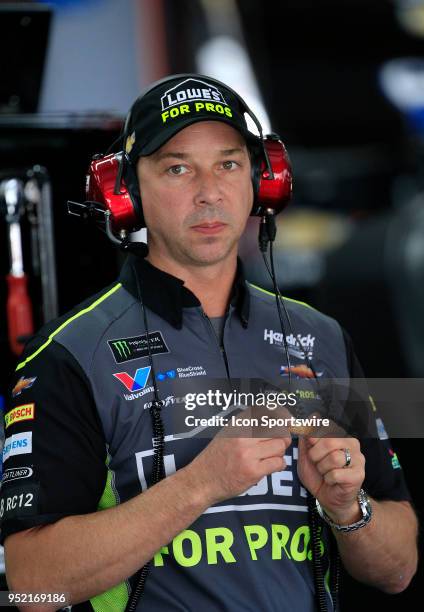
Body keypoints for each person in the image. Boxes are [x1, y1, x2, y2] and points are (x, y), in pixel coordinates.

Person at [1, 74, 418, 612]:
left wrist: (346, 506)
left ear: (261, 183)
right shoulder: (69, 356)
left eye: (228, 164)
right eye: (177, 168)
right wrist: (203, 483)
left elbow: (400, 568)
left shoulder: (323, 338)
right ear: (127, 193)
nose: (209, 192)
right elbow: (33, 585)